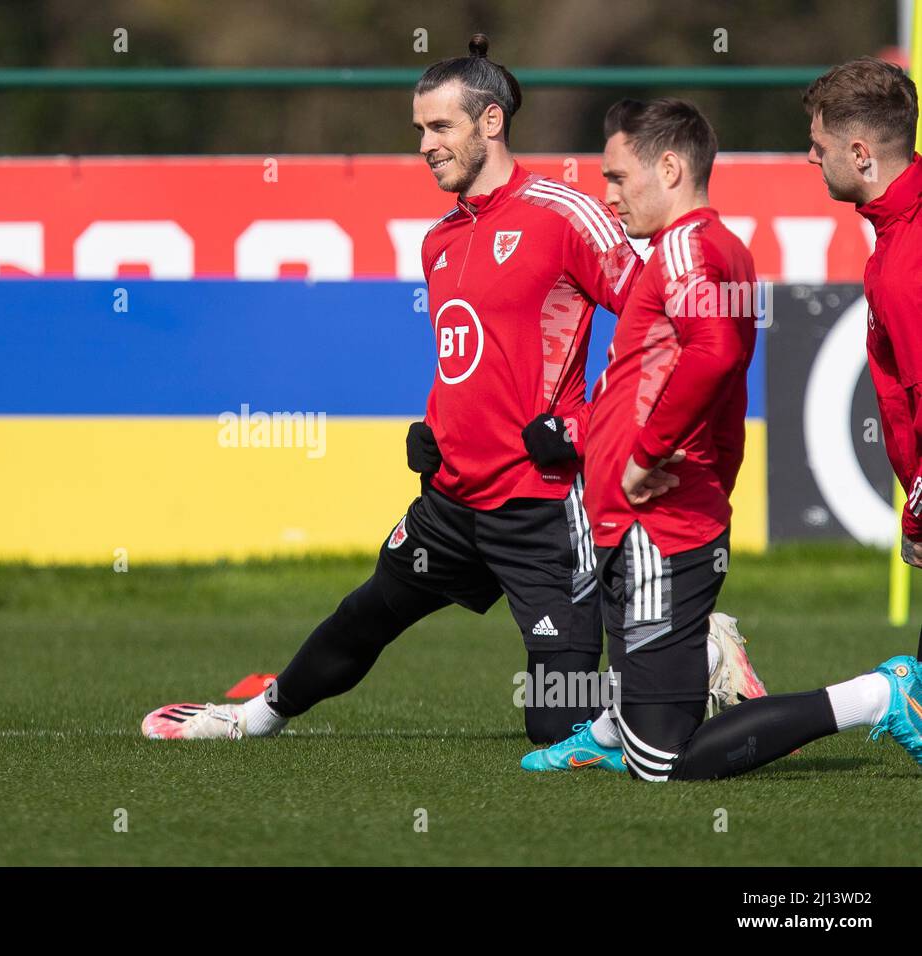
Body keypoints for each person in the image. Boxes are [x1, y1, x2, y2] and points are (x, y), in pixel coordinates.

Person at [142, 34, 644, 745]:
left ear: (490, 122)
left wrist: (583, 429)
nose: (425, 145)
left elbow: (661, 322)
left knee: (557, 723)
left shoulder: (565, 215)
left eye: (440, 126)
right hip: (453, 497)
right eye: (420, 130)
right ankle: (253, 719)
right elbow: (473, 354)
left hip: (540, 509)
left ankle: (695, 656)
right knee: (367, 612)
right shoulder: (439, 240)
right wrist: (440, 426)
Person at [526, 86, 922, 780]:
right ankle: (633, 711)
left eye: (617, 176)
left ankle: (875, 696)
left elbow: (712, 354)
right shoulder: (713, 249)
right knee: (647, 724)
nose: (607, 194)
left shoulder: (688, 250)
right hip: (661, 516)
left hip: (661, 523)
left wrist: (646, 456)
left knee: (666, 766)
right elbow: (680, 377)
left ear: (670, 169)